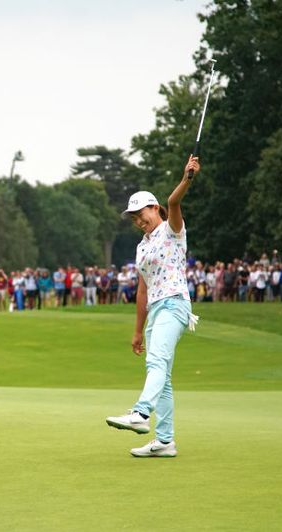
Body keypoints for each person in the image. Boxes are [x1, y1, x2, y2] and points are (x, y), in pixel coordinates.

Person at [106, 155, 200, 459]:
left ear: (153, 207)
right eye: (133, 217)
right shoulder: (142, 246)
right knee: (165, 377)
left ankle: (140, 413)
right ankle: (165, 441)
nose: (138, 220)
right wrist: (137, 331)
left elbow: (174, 203)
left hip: (175, 305)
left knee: (156, 363)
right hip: (155, 310)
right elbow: (142, 290)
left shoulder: (172, 231)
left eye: (141, 213)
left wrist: (187, 178)